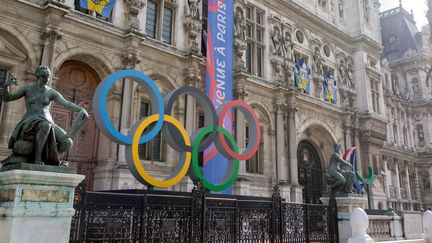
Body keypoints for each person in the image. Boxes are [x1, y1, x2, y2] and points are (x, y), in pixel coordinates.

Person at [2, 66, 88, 166]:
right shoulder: (28, 89)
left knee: (67, 142)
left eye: (48, 76)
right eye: (43, 76)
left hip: (47, 120)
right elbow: (7, 98)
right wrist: (6, 86)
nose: (46, 79)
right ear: (37, 76)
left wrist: (81, 109)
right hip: (31, 119)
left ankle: (49, 158)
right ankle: (38, 158)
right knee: (45, 126)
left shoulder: (51, 92)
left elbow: (66, 104)